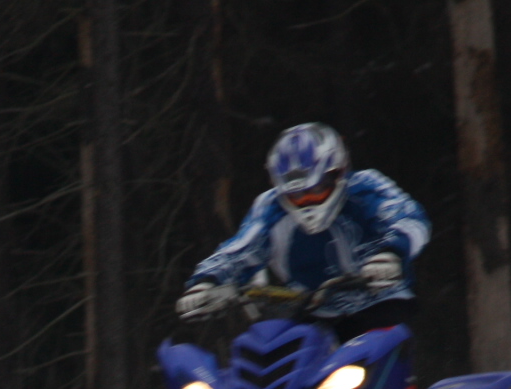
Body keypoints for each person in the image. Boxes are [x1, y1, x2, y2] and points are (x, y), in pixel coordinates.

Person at [175, 123, 428, 344]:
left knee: (378, 350)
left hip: (379, 304)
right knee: (271, 356)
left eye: (316, 191)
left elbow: (407, 217)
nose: (307, 202)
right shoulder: (270, 208)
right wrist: (207, 282)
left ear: (338, 174)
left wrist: (392, 253)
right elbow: (240, 249)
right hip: (311, 313)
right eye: (296, 195)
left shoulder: (366, 189)